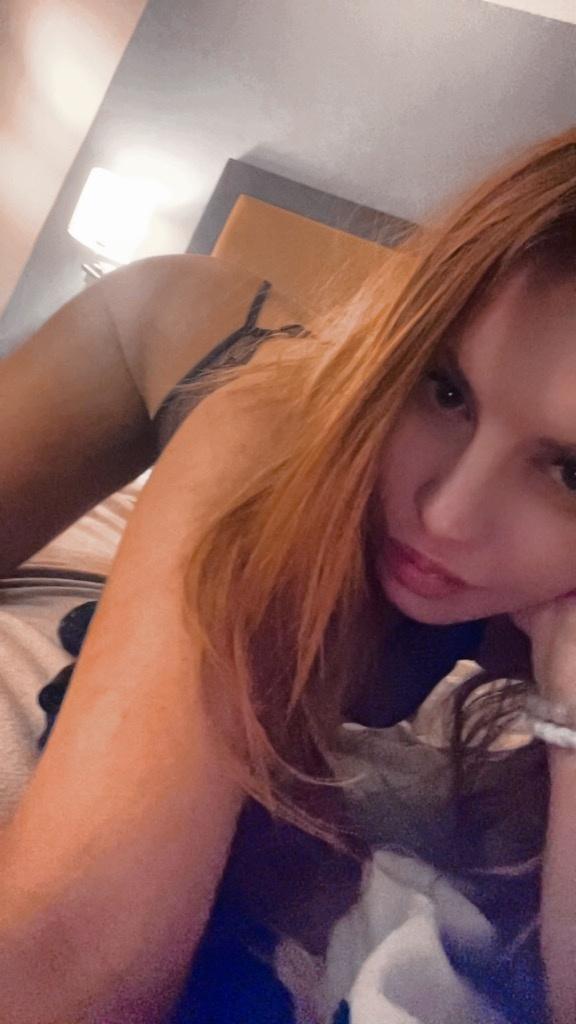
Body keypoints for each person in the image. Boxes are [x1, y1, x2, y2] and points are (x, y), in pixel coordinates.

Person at [1, 126, 576, 1023]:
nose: (445, 515)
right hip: (177, 332)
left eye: (571, 471)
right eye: (445, 388)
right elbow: (72, 959)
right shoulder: (266, 436)